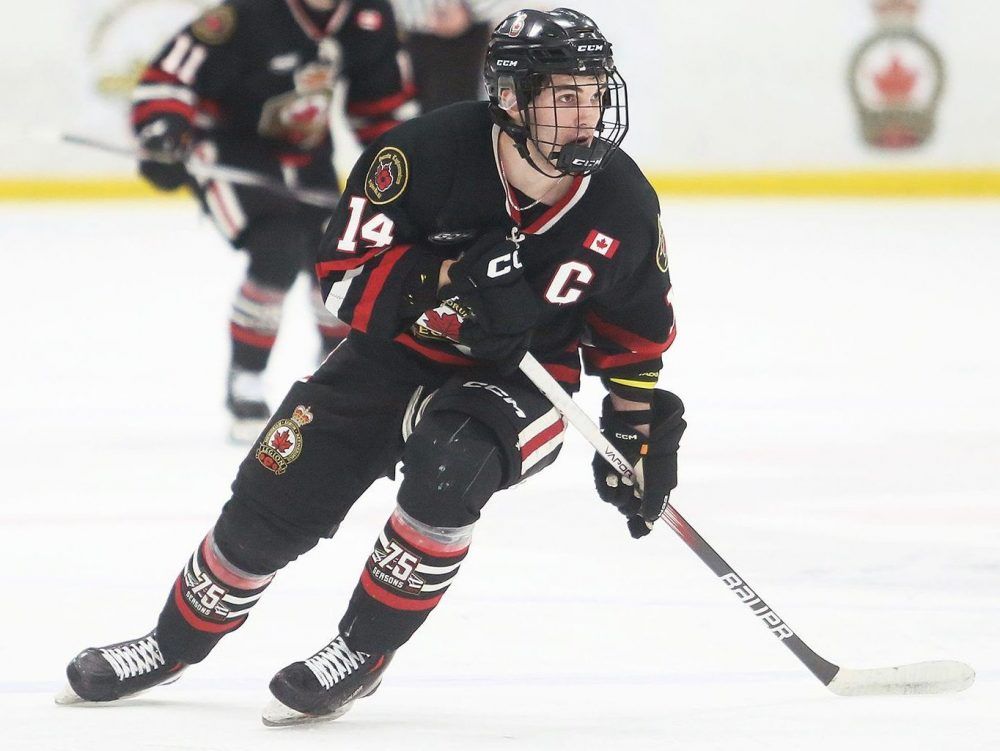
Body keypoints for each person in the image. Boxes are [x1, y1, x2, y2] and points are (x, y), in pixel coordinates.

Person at [58, 7, 686, 725]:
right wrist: (448, 274)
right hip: (394, 353)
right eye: (566, 96)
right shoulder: (423, 155)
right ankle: (169, 643)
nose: (587, 115)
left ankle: (361, 651)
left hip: (521, 377)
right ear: (512, 98)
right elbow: (341, 280)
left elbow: (634, 331)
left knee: (449, 468)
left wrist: (636, 431)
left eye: (595, 92)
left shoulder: (622, 201)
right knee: (272, 501)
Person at [132, 0, 417, 440]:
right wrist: (164, 129)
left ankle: (338, 377)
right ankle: (245, 380)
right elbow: (169, 79)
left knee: (340, 257)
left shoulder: (369, 16)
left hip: (308, 158)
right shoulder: (247, 13)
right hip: (229, 151)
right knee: (277, 250)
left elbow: (379, 107)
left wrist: (409, 167)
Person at [390, 0, 524, 111]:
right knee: (429, 106)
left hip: (469, 31)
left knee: (461, 107)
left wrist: (468, 9)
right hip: (418, 30)